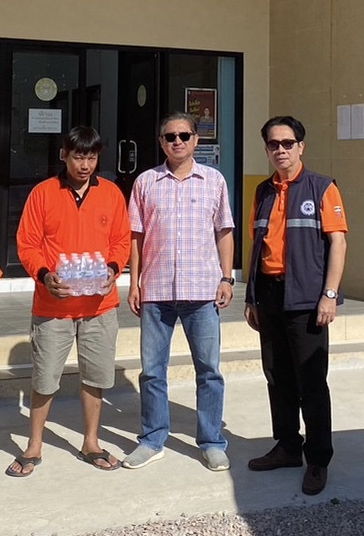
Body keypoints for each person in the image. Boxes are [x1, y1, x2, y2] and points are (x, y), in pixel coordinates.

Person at [7, 126, 132, 477]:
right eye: (78, 157)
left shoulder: (111, 193)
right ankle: (34, 445)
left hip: (99, 306)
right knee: (45, 378)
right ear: (64, 155)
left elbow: (121, 240)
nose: (85, 165)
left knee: (96, 376)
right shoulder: (44, 193)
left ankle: (91, 441)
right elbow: (28, 243)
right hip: (53, 307)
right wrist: (45, 275)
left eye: (91, 157)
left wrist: (112, 269)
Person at [122, 112, 236, 472]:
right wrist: (134, 282)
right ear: (161, 142)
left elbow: (224, 231)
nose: (177, 141)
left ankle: (212, 442)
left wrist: (227, 278)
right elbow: (136, 237)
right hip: (156, 291)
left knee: (209, 371)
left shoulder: (214, 180)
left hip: (202, 291)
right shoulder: (145, 182)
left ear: (196, 140)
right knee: (152, 372)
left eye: (184, 135)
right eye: (170, 136)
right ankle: (152, 439)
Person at [243, 116, 348, 496]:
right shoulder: (262, 191)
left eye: (288, 143)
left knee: (311, 382)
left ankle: (318, 459)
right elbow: (258, 247)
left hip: (306, 299)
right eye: (273, 144)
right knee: (278, 376)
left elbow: (338, 243)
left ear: (301, 146)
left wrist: (329, 295)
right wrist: (252, 297)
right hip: (269, 296)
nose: (281, 150)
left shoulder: (322, 187)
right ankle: (288, 446)